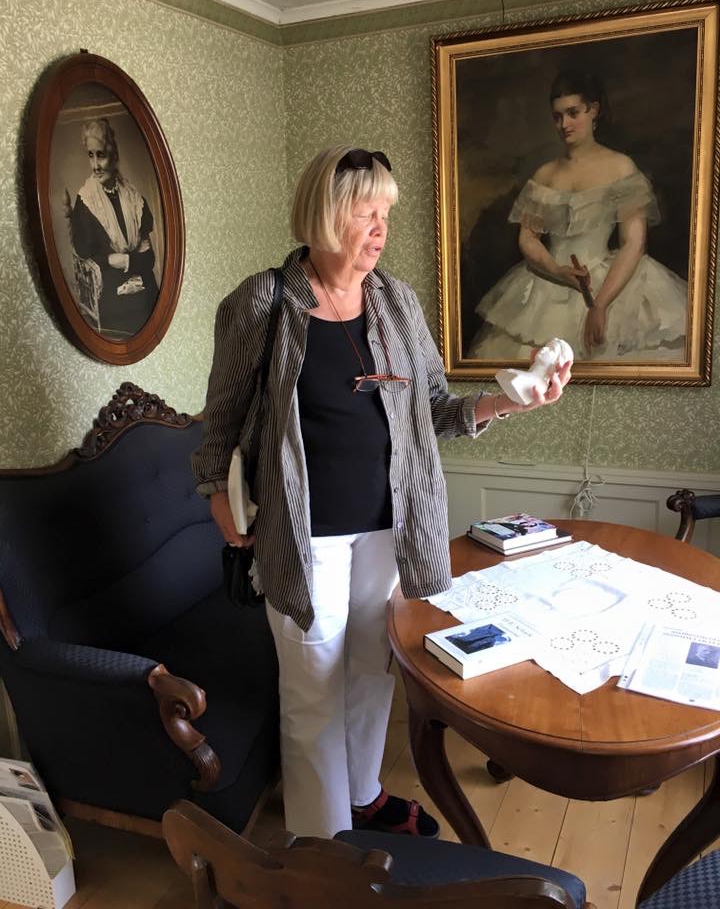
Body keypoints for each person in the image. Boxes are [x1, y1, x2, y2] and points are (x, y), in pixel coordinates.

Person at [192, 144, 572, 841]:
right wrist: (219, 494)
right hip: (301, 535)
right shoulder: (263, 302)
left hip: (387, 529)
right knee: (312, 688)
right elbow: (221, 418)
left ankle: (364, 797)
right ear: (324, 213)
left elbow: (435, 409)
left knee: (372, 668)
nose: (380, 229)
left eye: (385, 214)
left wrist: (509, 400)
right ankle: (322, 844)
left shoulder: (396, 302)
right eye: (366, 212)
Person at [468, 70, 687, 361]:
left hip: (608, 283)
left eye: (573, 113)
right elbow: (528, 239)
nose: (564, 125)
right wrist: (557, 271)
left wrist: (600, 305)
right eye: (557, 117)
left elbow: (633, 243)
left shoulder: (620, 167)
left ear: (593, 110)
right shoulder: (544, 174)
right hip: (550, 280)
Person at [69, 118, 159, 338]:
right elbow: (88, 260)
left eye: (101, 155)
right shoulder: (86, 202)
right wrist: (111, 260)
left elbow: (149, 259)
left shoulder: (133, 197)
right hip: (111, 297)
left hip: (145, 289)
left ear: (114, 155)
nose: (95, 165)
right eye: (91, 155)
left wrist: (124, 261)